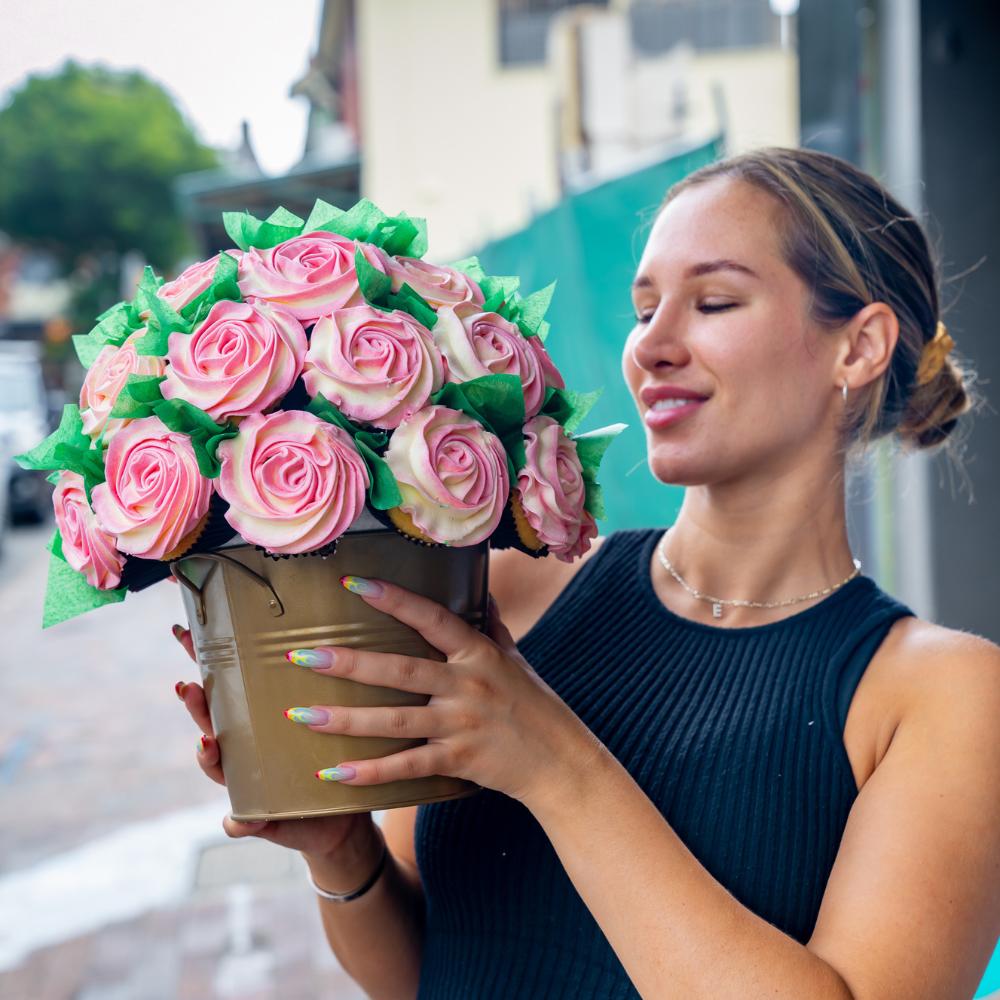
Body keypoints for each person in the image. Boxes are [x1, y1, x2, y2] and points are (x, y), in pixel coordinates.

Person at [172, 147, 1000, 999]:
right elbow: (425, 971)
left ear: (858, 347)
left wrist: (556, 765)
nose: (652, 348)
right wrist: (345, 858)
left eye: (713, 302)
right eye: (645, 311)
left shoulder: (937, 694)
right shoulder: (513, 593)